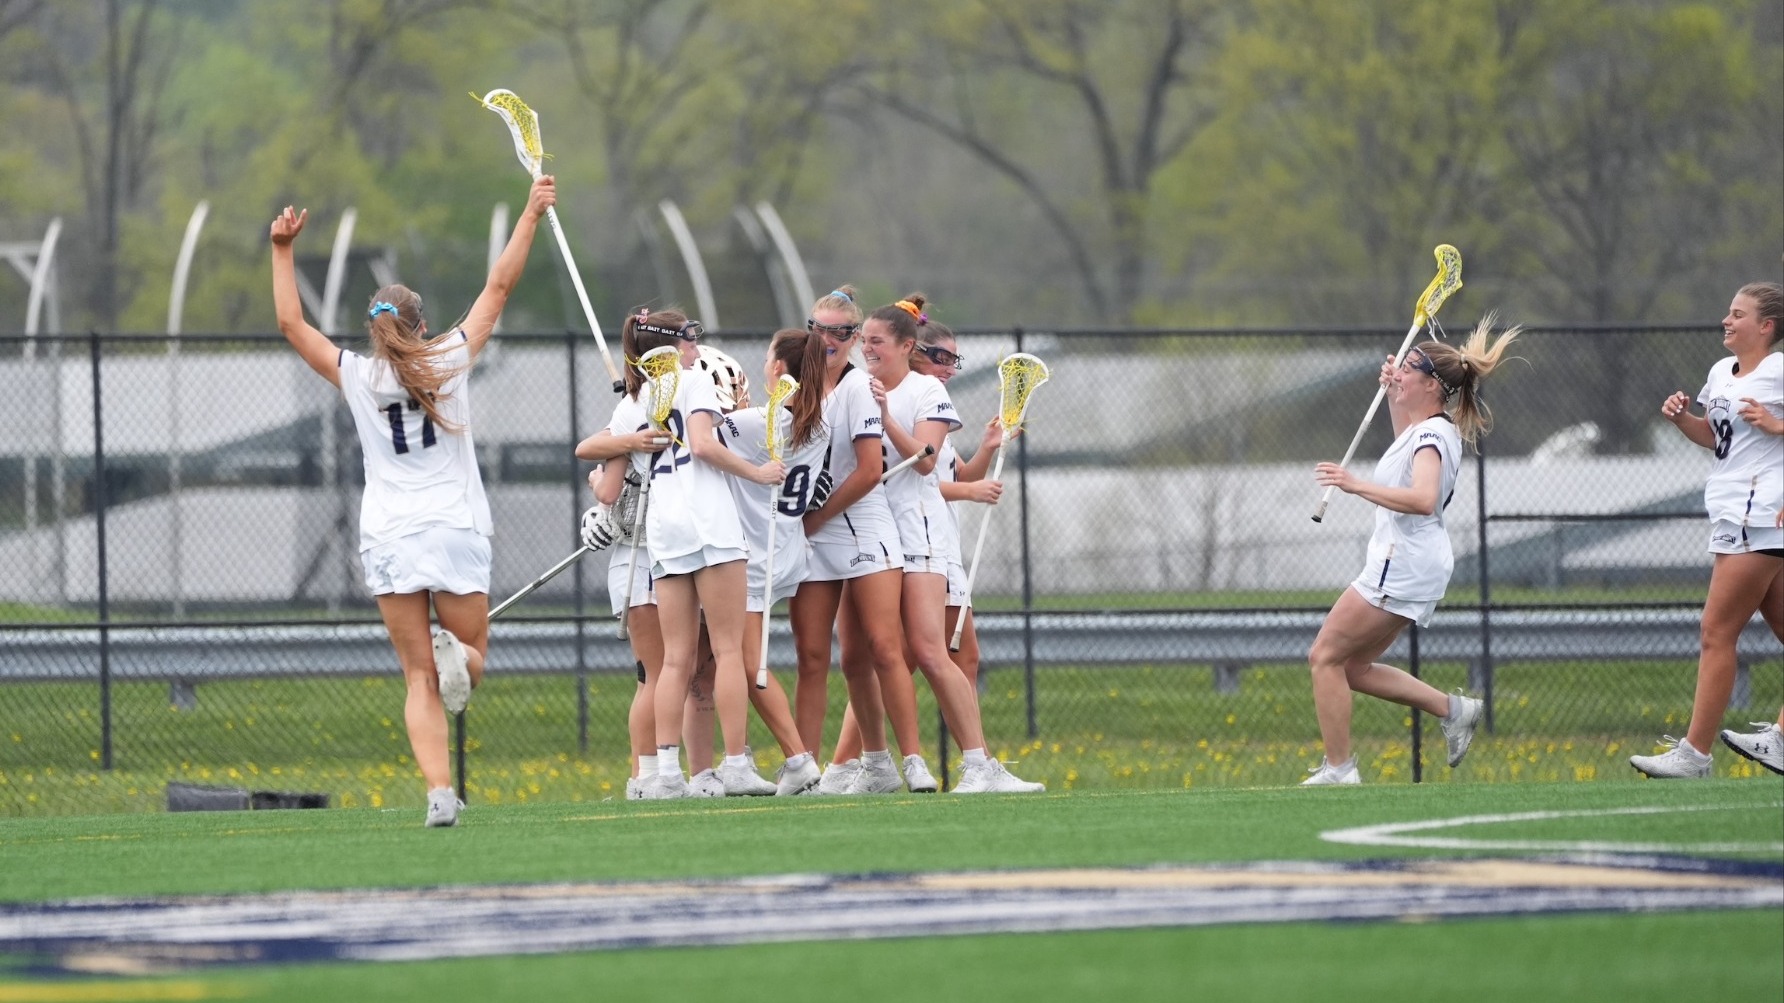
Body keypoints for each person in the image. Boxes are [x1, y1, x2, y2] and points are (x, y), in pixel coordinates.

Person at [268, 175, 556, 827]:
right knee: (469, 660)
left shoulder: (357, 374)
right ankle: (457, 656)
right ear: (421, 325)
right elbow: (498, 287)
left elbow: (290, 323)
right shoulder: (449, 357)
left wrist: (282, 249)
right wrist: (530, 215)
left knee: (418, 677)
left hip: (392, 536)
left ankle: (438, 795)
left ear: (375, 332)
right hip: (455, 528)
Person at [827, 297, 1044, 794]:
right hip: (874, 538)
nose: (867, 349)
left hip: (920, 536)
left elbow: (926, 463)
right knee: (873, 657)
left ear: (906, 347)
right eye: (864, 341)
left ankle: (979, 764)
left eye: (876, 341)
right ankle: (860, 765)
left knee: (932, 652)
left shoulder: (926, 393)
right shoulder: (857, 387)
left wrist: (885, 417)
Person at [1303, 317, 1520, 785]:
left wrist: (1354, 485)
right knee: (1352, 667)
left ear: (1432, 385)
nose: (1399, 371)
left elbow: (1422, 499)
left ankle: (1340, 770)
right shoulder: (1426, 430)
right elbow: (1405, 443)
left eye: (1409, 368)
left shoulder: (1432, 437)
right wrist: (1393, 392)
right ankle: (1453, 709)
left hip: (1401, 564)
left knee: (1324, 657)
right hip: (1410, 563)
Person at [617, 310, 784, 798]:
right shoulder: (694, 381)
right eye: (691, 339)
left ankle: (668, 773)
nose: (697, 348)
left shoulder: (635, 398)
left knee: (675, 659)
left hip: (665, 530)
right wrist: (758, 473)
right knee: (728, 649)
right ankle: (735, 764)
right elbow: (705, 446)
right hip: (709, 521)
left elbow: (593, 448)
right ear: (676, 345)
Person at [1631, 281, 1784, 778]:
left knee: (1716, 632)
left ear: (1766, 326)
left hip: (1758, 515)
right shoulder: (1721, 371)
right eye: (1728, 312)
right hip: (1734, 512)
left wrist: (1779, 425)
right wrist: (1683, 421)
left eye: (1738, 314)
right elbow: (1718, 439)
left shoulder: (1779, 370)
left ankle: (1694, 755)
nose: (1726, 320)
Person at [788, 286, 932, 795]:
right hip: (814, 533)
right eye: (818, 329)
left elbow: (870, 471)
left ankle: (913, 760)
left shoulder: (859, 389)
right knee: (813, 654)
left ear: (852, 338)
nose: (827, 340)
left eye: (840, 332)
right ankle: (806, 769)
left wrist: (817, 518)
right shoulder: (797, 388)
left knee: (883, 647)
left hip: (862, 526)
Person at [714, 329, 836, 794]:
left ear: (779, 368)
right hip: (787, 549)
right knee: (740, 659)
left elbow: (698, 441)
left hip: (754, 556)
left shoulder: (754, 422)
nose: (764, 366)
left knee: (748, 666)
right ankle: (759, 757)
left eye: (768, 358)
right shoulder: (818, 425)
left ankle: (797, 758)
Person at [908, 320, 1010, 690]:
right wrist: (970, 493)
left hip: (943, 546)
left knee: (953, 660)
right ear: (913, 352)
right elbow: (913, 487)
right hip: (923, 547)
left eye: (955, 360)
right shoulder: (913, 408)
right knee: (949, 660)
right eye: (941, 357)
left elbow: (961, 476)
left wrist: (987, 446)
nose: (950, 369)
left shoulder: (935, 416)